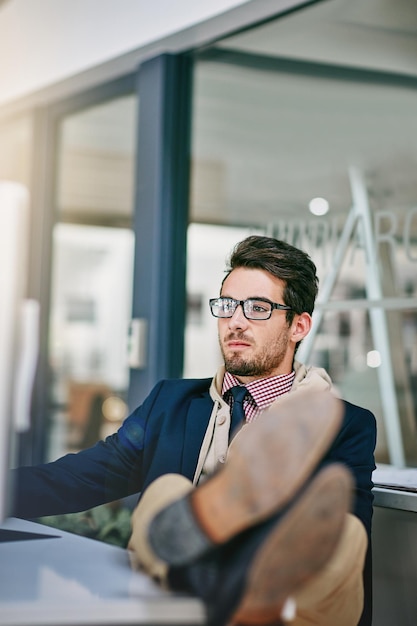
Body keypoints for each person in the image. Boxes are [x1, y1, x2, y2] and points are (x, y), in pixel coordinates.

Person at [12, 236, 376, 626]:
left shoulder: (343, 424)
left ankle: (235, 572)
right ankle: (211, 554)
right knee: (168, 495)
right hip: (167, 604)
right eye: (227, 306)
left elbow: (348, 558)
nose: (235, 321)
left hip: (282, 604)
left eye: (257, 308)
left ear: (298, 326)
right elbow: (77, 477)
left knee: (345, 538)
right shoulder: (171, 402)